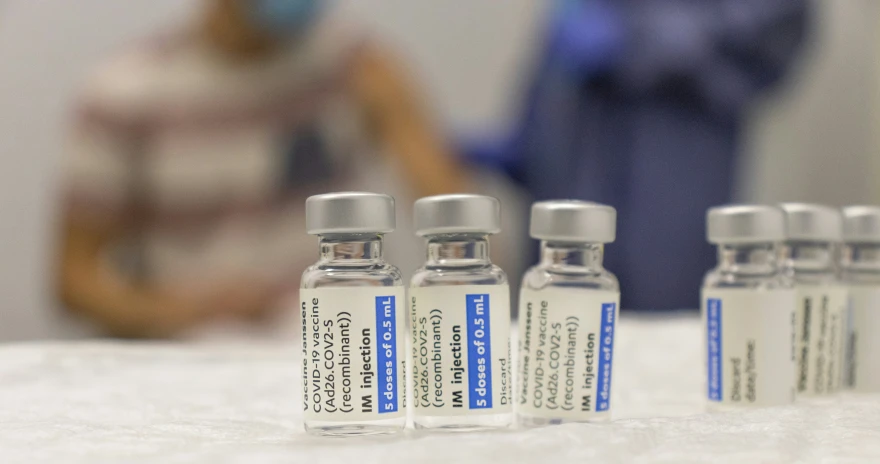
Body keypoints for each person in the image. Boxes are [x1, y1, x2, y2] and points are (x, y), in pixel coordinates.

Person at [56, 0, 466, 337]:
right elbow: (74, 281)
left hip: (340, 331)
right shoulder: (125, 93)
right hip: (194, 353)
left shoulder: (351, 63)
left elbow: (448, 203)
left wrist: (448, 301)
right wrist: (189, 309)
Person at [468, 0, 810, 310]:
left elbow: (771, 31)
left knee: (669, 347)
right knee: (561, 342)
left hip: (669, 201)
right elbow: (560, 77)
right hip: (568, 218)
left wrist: (636, 38)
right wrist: (525, 144)